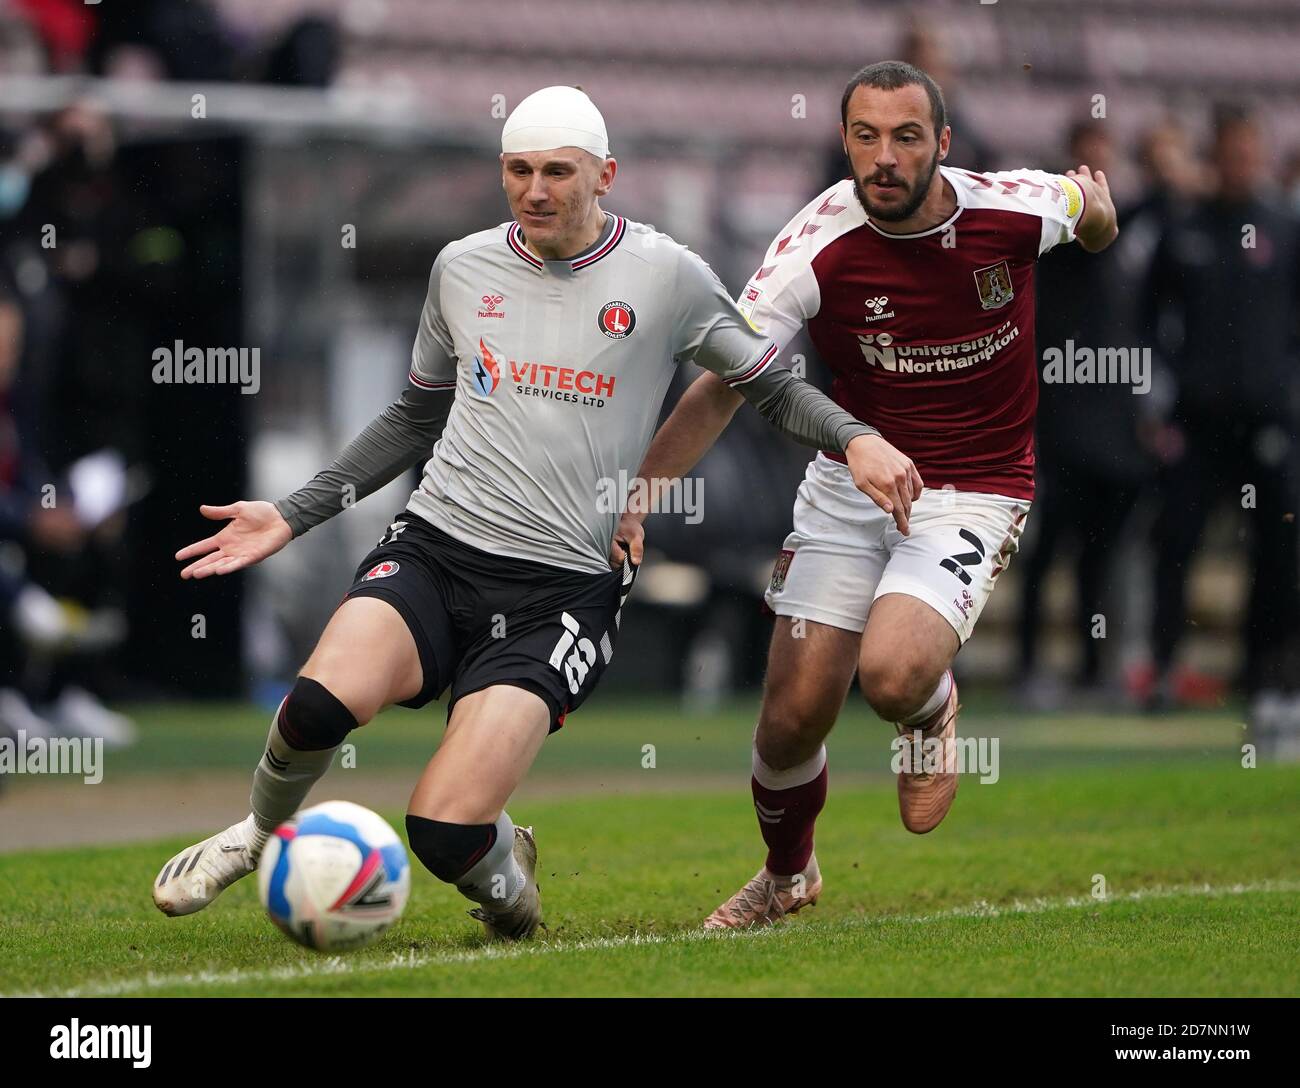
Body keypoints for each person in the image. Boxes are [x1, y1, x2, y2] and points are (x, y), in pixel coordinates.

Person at [151, 86, 912, 941]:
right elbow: (413, 415)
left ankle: (509, 880)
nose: (536, 189)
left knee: (443, 833)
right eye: (519, 170)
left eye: (558, 171)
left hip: (560, 591)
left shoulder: (665, 275)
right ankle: (255, 833)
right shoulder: (462, 267)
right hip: (438, 546)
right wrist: (294, 514)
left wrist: (854, 440)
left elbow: (765, 383)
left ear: (605, 176)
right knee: (319, 705)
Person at [615, 61, 1117, 928]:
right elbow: (726, 379)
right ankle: (788, 875)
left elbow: (1094, 219)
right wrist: (640, 494)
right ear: (844, 140)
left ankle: (929, 707)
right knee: (791, 719)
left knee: (889, 674)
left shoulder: (1015, 205)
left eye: (907, 137)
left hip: (974, 490)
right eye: (865, 137)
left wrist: (1098, 211)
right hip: (852, 486)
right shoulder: (816, 241)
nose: (884, 158)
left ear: (943, 145)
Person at [1144, 106, 1300, 703]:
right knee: (1176, 541)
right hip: (1197, 422)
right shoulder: (1184, 230)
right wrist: (1153, 396)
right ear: (1215, 158)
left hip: (1267, 422)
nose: (1240, 166)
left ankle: (1264, 670)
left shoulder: (1284, 229)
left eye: (1248, 154)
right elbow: (1148, 318)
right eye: (1230, 155)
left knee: (1276, 543)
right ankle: (1162, 667)